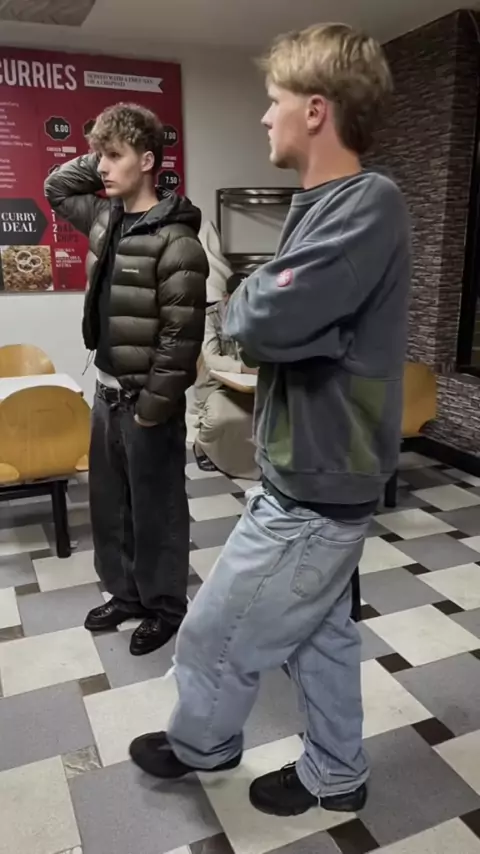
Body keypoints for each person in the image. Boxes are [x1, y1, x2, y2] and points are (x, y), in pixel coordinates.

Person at [130, 22, 411, 816]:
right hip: (314, 467)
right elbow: (282, 315)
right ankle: (337, 774)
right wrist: (275, 308)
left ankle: (202, 743)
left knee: (218, 630)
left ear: (315, 110)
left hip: (319, 481)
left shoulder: (368, 203)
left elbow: (259, 319)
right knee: (322, 638)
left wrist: (260, 303)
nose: (263, 116)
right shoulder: (322, 206)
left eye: (273, 100)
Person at [44, 103, 208, 656]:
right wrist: (104, 145)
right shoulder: (105, 217)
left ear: (148, 160)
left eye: (114, 156)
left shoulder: (177, 241)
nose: (101, 167)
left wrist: (151, 410)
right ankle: (127, 594)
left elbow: (180, 342)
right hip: (106, 393)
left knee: (157, 509)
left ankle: (165, 607)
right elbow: (56, 186)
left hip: (146, 403)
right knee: (111, 505)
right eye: (99, 156)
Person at [193, 273, 260, 479]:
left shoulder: (258, 316)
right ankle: (201, 447)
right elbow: (211, 359)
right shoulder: (210, 317)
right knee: (218, 419)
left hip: (252, 384)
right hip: (216, 385)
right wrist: (243, 368)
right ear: (225, 297)